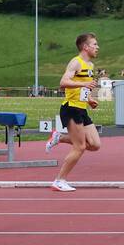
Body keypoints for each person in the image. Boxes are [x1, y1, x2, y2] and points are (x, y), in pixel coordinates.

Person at [45, 33, 103, 192]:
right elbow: (63, 83)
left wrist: (89, 99)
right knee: (80, 147)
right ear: (86, 47)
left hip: (81, 108)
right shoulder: (75, 62)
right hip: (70, 108)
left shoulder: (90, 66)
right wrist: (82, 83)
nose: (97, 47)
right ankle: (59, 180)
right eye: (95, 44)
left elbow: (83, 88)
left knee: (95, 144)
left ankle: (60, 137)